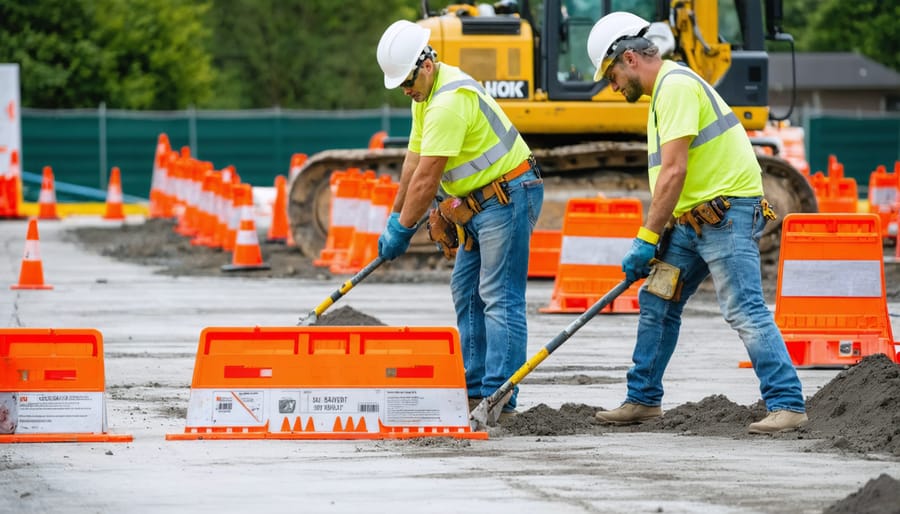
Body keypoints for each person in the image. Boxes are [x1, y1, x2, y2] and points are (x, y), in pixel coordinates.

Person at [586, 12, 807, 434]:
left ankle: (788, 403)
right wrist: (665, 230)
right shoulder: (664, 93)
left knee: (743, 308)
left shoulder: (676, 88)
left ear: (630, 58)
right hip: (692, 222)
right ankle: (643, 399)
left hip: (725, 216)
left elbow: (673, 171)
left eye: (611, 75)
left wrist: (647, 238)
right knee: (658, 301)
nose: (612, 86)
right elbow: (676, 177)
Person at [375, 20, 544, 419]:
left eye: (408, 81)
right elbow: (412, 165)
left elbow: (429, 176)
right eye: (399, 85)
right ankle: (474, 389)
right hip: (476, 203)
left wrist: (404, 231)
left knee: (499, 296)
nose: (406, 90)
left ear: (427, 65)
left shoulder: (449, 101)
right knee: (466, 290)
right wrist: (395, 218)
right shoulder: (424, 100)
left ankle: (498, 397)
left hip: (509, 194)